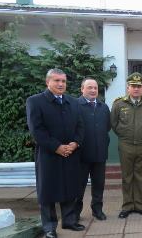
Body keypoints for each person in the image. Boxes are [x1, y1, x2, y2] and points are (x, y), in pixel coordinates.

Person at [26, 68, 85, 238]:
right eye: (56, 81)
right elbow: (36, 130)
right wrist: (57, 147)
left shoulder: (73, 102)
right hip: (48, 155)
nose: (60, 84)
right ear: (48, 82)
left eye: (63, 81)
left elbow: (80, 126)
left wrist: (75, 143)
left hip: (70, 153)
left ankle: (69, 221)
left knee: (70, 188)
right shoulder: (35, 101)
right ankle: (49, 227)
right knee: (48, 192)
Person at [110, 72, 142, 218]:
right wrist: (125, 136)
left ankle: (140, 205)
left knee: (141, 177)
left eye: (139, 86)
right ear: (128, 87)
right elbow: (114, 123)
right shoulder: (118, 104)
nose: (136, 89)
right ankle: (127, 206)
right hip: (126, 145)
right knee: (127, 176)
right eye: (133, 86)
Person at [75, 78, 111, 221]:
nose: (93, 90)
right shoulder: (75, 105)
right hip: (81, 155)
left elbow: (107, 127)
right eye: (89, 87)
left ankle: (97, 210)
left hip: (100, 154)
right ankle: (75, 213)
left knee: (99, 185)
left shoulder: (103, 107)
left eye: (95, 88)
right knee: (78, 186)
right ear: (82, 89)